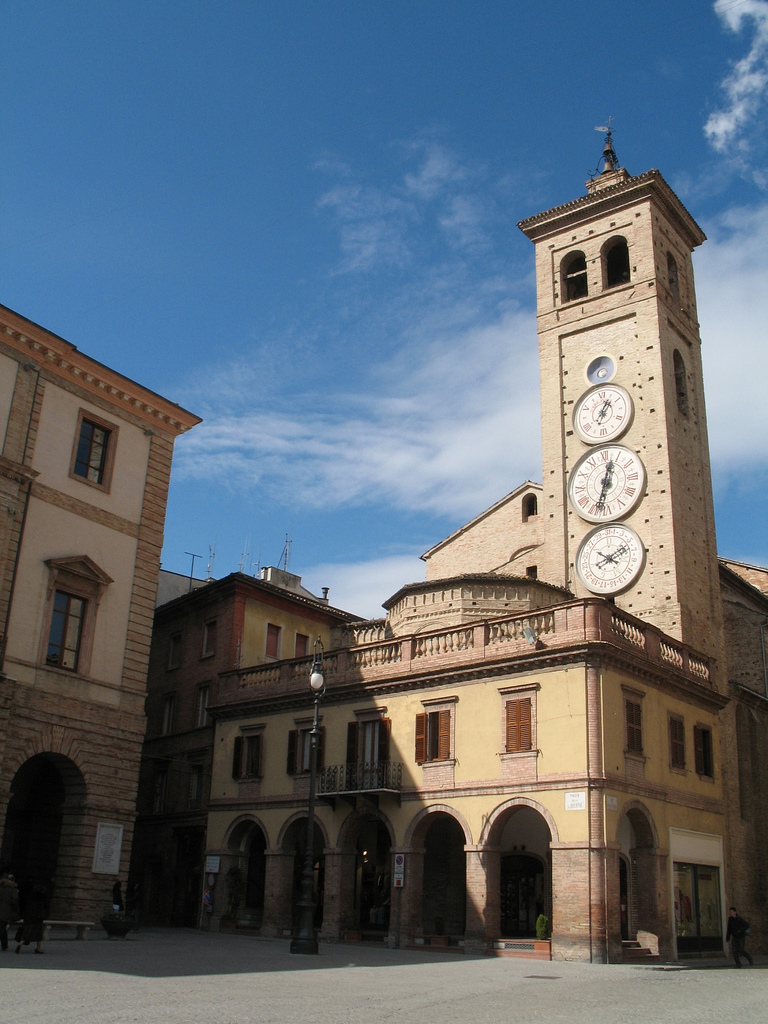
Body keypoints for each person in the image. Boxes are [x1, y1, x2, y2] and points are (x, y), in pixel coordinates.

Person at [15, 882, 47, 954]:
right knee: (39, 934)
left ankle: (20, 944)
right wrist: (42, 916)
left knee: (27, 932)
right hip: (37, 918)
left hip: (28, 917)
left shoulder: (30, 898)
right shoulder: (41, 899)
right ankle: (38, 948)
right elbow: (41, 909)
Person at [0, 869, 20, 952]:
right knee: (2, 928)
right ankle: (4, 945)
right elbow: (15, 900)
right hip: (6, 911)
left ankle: (4, 944)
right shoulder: (13, 889)